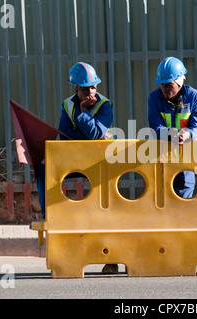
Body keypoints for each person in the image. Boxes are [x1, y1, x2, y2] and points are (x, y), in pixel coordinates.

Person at [36, 62, 117, 274]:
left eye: (93, 87)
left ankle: (110, 257)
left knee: (102, 201)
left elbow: (94, 134)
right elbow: (66, 134)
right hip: (73, 158)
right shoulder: (68, 104)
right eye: (84, 89)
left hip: (98, 161)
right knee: (42, 167)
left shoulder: (105, 105)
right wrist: (92, 132)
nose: (90, 92)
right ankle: (47, 213)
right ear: (75, 89)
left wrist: (83, 118)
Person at [148, 57, 197, 198]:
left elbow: (196, 126)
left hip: (186, 159)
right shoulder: (154, 98)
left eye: (169, 84)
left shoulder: (193, 97)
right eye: (162, 84)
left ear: (179, 82)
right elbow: (155, 125)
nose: (164, 88)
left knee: (184, 202)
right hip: (162, 158)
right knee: (162, 201)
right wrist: (170, 134)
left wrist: (187, 135)